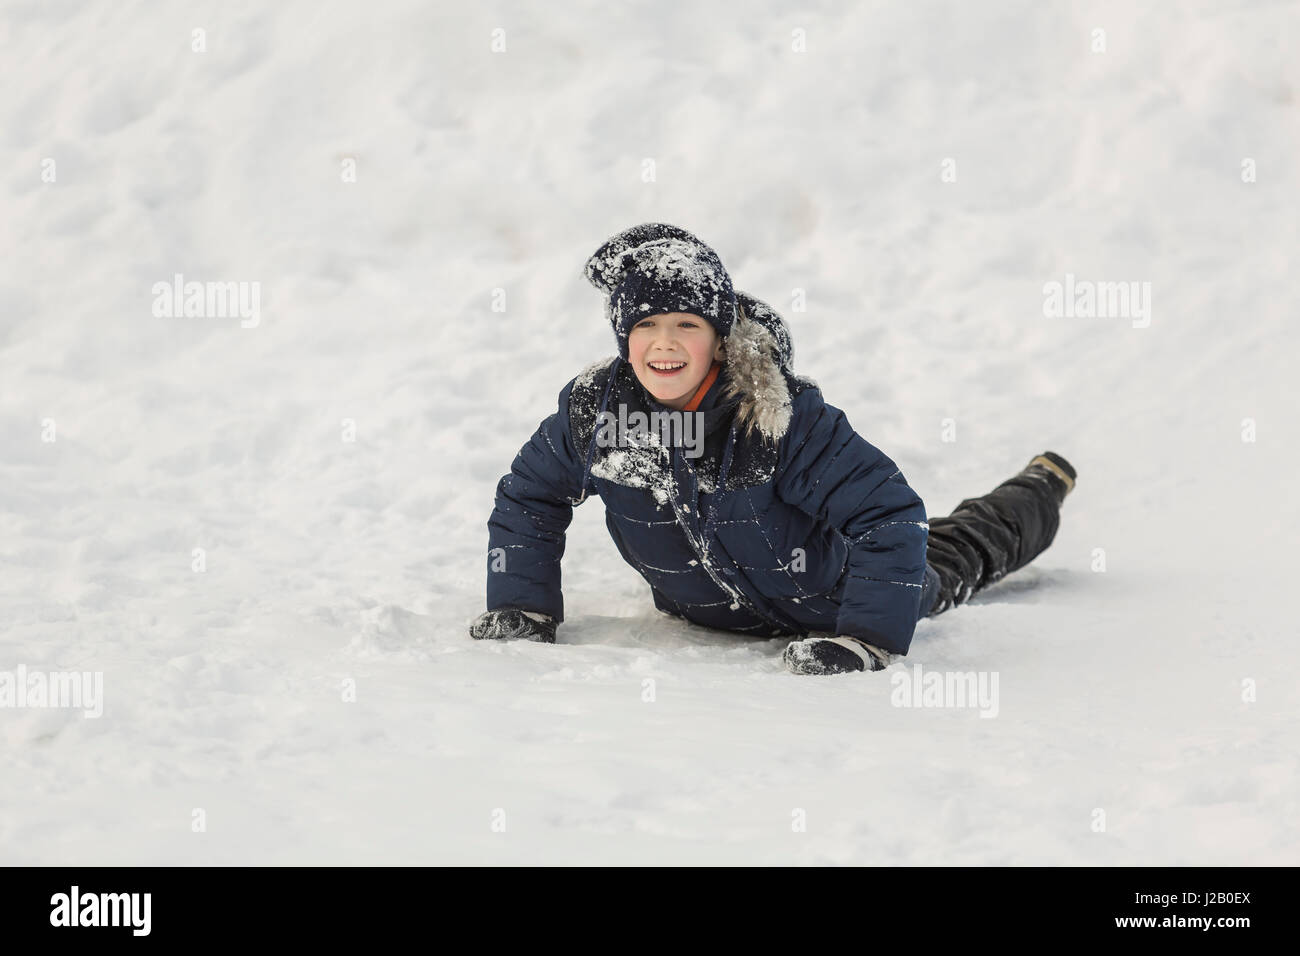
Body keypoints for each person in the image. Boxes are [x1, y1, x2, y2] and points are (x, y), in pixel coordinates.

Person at [470, 223, 1077, 675]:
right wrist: (524, 606)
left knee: (954, 551)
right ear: (624, 340)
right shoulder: (597, 415)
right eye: (645, 326)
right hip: (708, 608)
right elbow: (529, 497)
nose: (665, 344)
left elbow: (888, 514)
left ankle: (1041, 486)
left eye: (687, 324)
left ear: (716, 337)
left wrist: (865, 637)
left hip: (833, 599)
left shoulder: (775, 418)